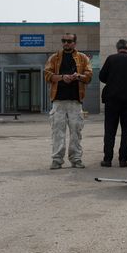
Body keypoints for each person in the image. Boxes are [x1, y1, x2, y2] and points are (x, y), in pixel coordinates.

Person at [43, 33, 93, 170]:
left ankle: (76, 159)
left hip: (75, 102)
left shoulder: (83, 58)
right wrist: (62, 77)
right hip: (58, 101)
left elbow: (89, 76)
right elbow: (47, 74)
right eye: (64, 41)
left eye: (69, 41)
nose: (66, 43)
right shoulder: (54, 58)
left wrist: (78, 76)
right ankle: (57, 160)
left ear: (74, 43)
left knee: (76, 132)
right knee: (57, 132)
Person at [99, 39, 127, 168]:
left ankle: (107, 159)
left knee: (110, 131)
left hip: (112, 101)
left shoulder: (111, 59)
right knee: (126, 131)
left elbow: (102, 77)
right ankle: (123, 160)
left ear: (117, 48)